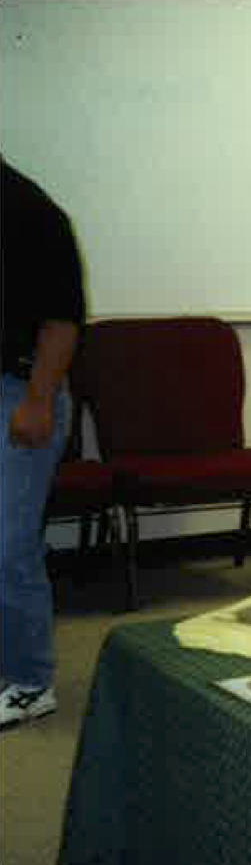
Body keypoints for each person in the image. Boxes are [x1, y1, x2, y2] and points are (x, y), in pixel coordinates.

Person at [1, 157, 86, 731]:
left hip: (20, 389)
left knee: (7, 544)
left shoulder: (32, 210)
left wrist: (37, 401)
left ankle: (32, 683)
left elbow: (62, 320)